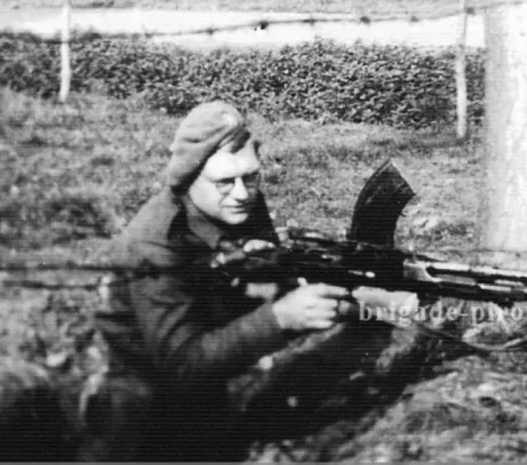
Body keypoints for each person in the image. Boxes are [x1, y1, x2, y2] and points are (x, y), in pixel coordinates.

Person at [82, 101, 353, 461]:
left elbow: (270, 279)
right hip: (142, 398)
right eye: (225, 182)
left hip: (209, 377)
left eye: (251, 177)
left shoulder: (238, 203)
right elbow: (184, 365)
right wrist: (280, 318)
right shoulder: (155, 242)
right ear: (189, 179)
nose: (242, 194)